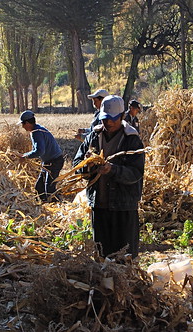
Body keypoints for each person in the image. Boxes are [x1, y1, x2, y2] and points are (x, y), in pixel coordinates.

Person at [73, 95, 145, 259]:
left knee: (124, 256)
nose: (108, 123)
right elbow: (77, 163)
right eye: (105, 119)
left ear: (122, 116)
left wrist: (113, 170)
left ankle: (125, 284)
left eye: (113, 119)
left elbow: (136, 172)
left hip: (123, 206)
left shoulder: (132, 140)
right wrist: (87, 166)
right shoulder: (93, 137)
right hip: (99, 206)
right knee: (102, 255)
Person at [19, 110, 64, 203]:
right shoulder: (37, 129)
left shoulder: (36, 132)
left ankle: (57, 206)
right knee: (39, 188)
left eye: (23, 124)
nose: (22, 126)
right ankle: (43, 206)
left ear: (27, 123)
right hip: (48, 162)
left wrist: (25, 156)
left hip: (54, 161)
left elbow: (40, 151)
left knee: (49, 188)